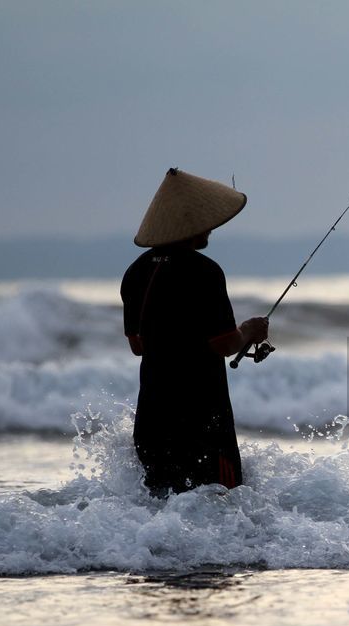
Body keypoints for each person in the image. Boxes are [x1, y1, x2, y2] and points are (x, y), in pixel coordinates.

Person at [120, 168, 269, 496]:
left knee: (161, 508)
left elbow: (137, 345)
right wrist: (249, 330)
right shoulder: (204, 272)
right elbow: (224, 344)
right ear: (189, 225)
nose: (211, 228)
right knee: (223, 503)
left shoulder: (136, 271)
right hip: (201, 417)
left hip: (152, 417)